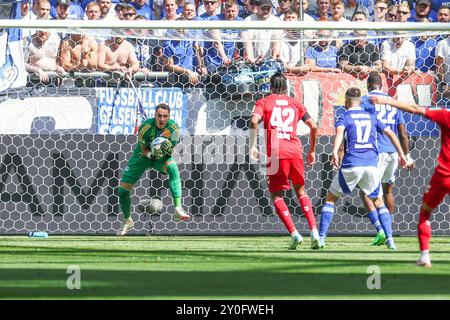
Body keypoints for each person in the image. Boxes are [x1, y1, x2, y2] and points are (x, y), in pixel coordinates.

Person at [317, 87, 407, 249]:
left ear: (346, 102)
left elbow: (339, 134)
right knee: (379, 201)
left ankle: (321, 238)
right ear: (360, 102)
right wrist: (401, 154)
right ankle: (390, 241)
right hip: (371, 165)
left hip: (352, 164)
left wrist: (335, 152)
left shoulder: (344, 116)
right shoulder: (371, 117)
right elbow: (392, 134)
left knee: (330, 199)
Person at [369, 94, 450, 267]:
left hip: (444, 175)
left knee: (425, 213)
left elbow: (415, 109)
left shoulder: (446, 114)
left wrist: (387, 101)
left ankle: (425, 256)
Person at [249, 73, 320, 250]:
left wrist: (253, 146)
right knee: (301, 191)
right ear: (286, 87)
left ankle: (294, 233)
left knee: (276, 194)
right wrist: (311, 151)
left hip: (275, 152)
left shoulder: (263, 102)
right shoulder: (295, 103)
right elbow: (314, 126)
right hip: (295, 150)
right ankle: (314, 232)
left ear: (270, 87)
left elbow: (253, 121)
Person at [117, 103, 190, 236]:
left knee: (173, 167)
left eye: (165, 116)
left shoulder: (173, 129)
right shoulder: (145, 127)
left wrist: (162, 151)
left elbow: (171, 149)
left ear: (169, 117)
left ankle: (178, 208)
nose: (162, 119)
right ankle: (128, 220)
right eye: (159, 116)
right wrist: (152, 153)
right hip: (142, 157)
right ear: (155, 116)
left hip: (160, 158)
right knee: (122, 192)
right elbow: (144, 150)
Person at [360, 72, 413, 246]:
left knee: (366, 192)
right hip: (393, 152)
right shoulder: (392, 102)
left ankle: (381, 230)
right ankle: (388, 229)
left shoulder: (366, 100)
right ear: (381, 85)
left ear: (368, 85)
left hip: (376, 152)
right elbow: (403, 134)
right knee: (388, 190)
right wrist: (406, 155)